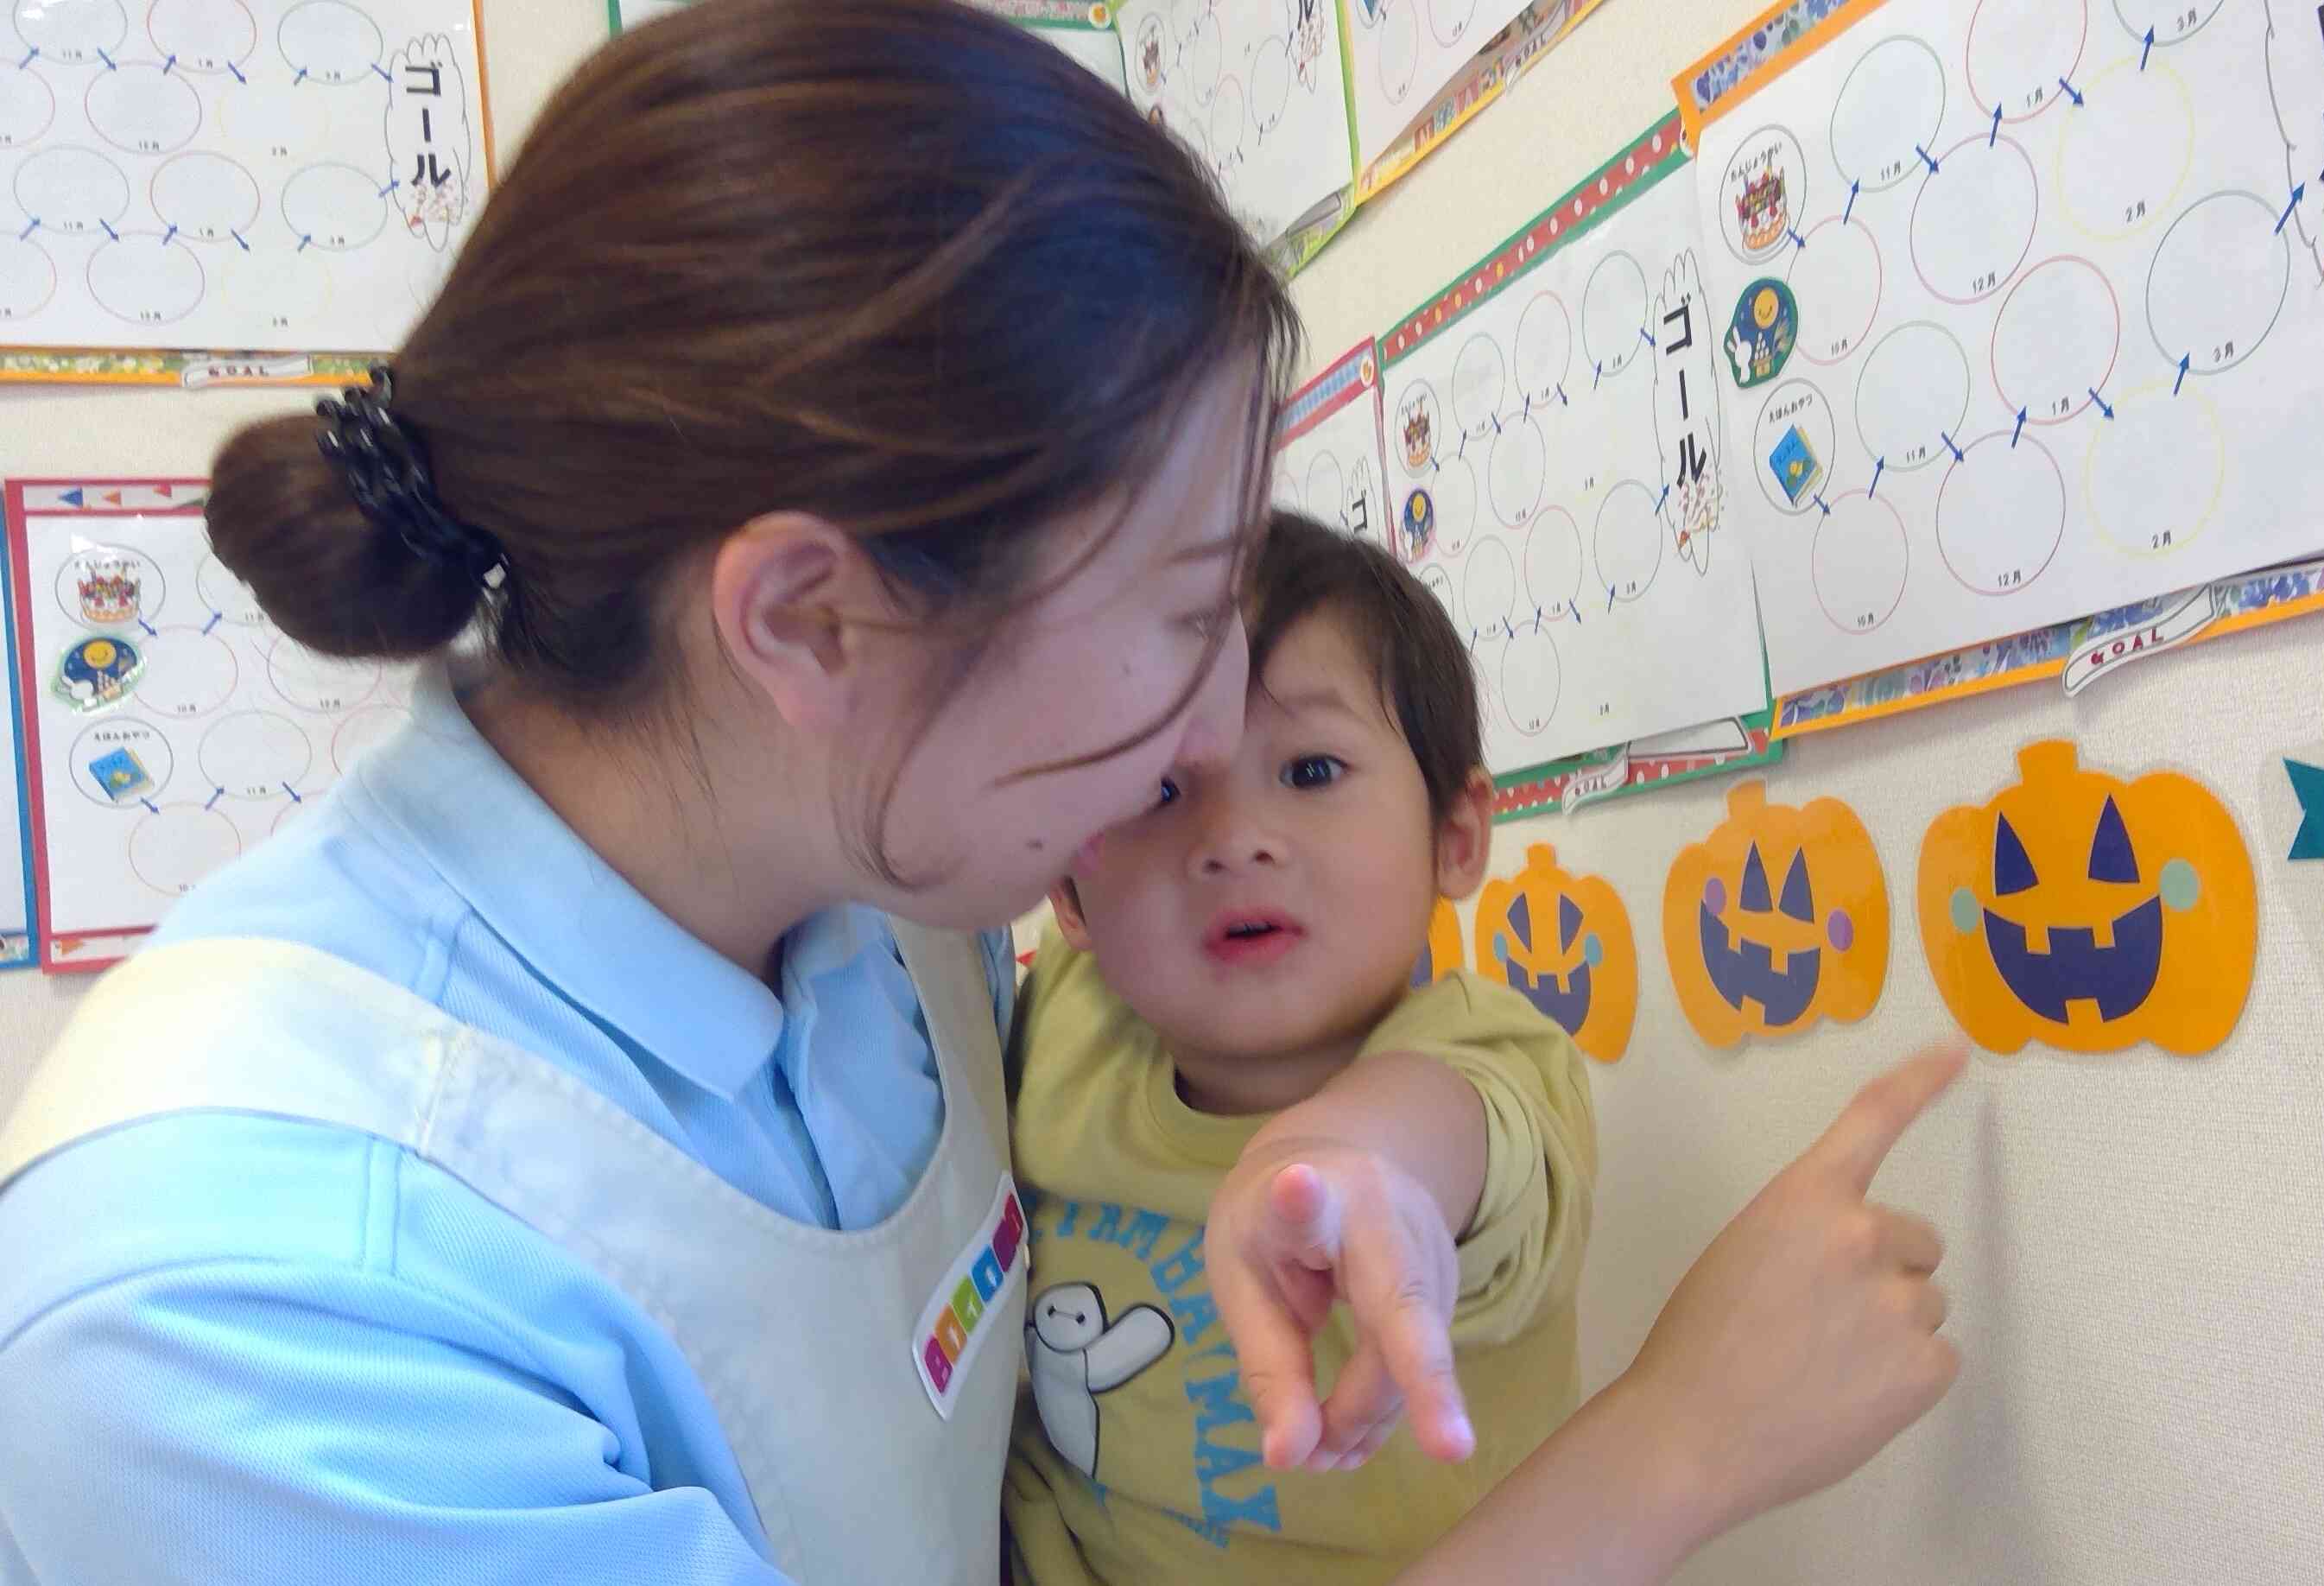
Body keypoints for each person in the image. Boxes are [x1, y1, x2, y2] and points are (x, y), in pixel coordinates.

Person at [0, 2, 1962, 1581]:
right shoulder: (243, 1310)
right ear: (811, 619)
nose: (1210, 740)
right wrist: (1674, 1448)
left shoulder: (899, 916)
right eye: (1185, 609)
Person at [1004, 513, 1593, 1583]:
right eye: (1158, 790)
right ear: (1068, 890)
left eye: (1312, 770)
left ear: (1455, 837)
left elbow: (1434, 1135)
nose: (1233, 840)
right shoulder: (1060, 1021)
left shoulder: (1490, 1059)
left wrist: (1342, 1172)